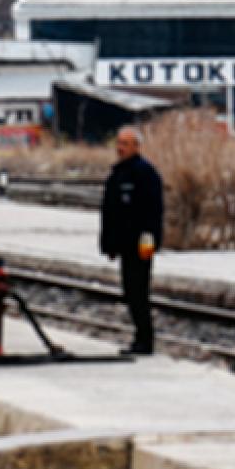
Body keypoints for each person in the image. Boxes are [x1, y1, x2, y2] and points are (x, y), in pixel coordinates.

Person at [99, 126, 164, 355]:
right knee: (130, 291)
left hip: (140, 244)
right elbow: (110, 212)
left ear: (136, 146)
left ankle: (145, 339)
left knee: (138, 291)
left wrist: (150, 241)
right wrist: (109, 244)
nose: (120, 148)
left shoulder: (145, 173)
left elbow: (153, 212)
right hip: (124, 244)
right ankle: (140, 336)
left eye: (125, 144)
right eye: (119, 143)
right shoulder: (117, 174)